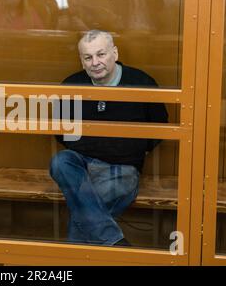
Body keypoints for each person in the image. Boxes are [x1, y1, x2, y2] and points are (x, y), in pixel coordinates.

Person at [50, 30, 168, 246]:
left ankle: (74, 257)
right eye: (88, 57)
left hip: (122, 169)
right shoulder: (71, 84)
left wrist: (134, 149)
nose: (95, 62)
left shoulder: (141, 82)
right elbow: (61, 130)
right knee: (60, 161)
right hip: (81, 167)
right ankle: (114, 242)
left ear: (114, 53)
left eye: (101, 54)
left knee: (86, 204)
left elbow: (160, 126)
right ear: (82, 61)